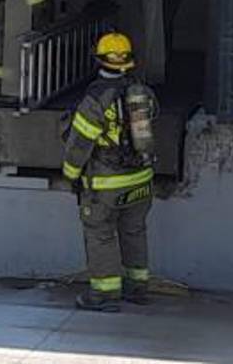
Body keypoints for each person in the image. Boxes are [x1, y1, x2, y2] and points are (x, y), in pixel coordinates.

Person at [61, 32, 157, 312]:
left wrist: (71, 175)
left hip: (106, 183)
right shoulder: (143, 92)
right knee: (134, 231)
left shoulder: (95, 99)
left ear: (99, 59)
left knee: (101, 234)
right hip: (141, 179)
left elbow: (79, 144)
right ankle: (137, 287)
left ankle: (104, 294)